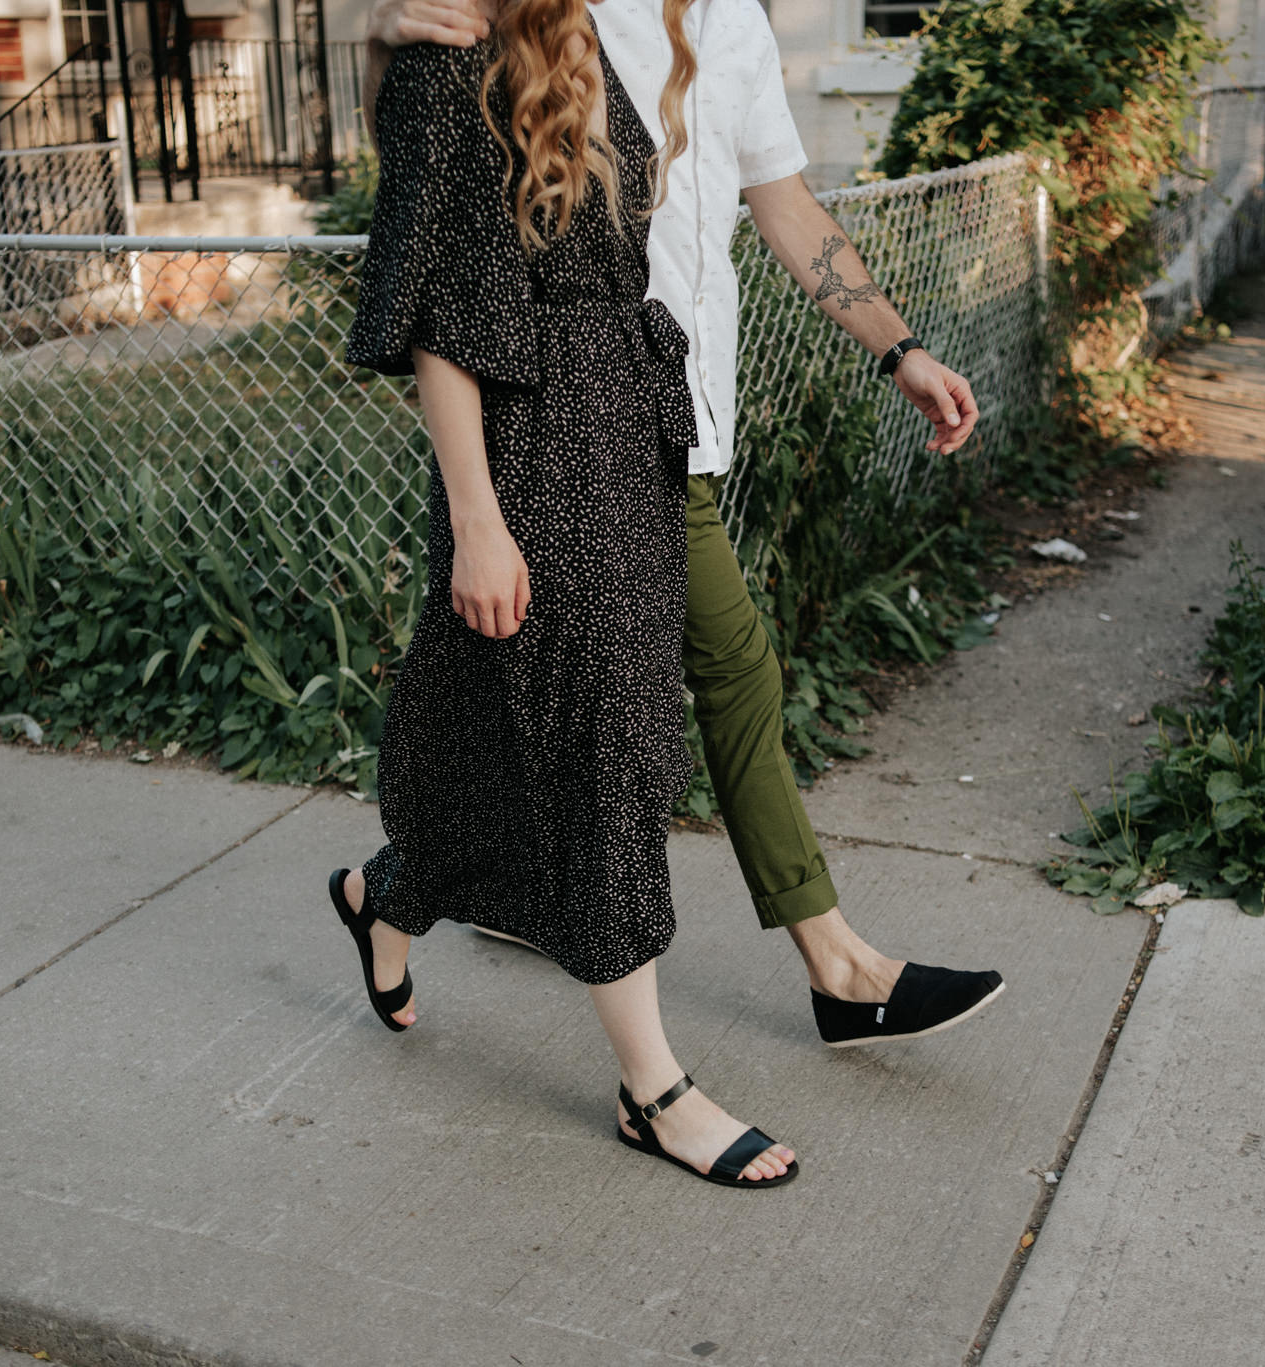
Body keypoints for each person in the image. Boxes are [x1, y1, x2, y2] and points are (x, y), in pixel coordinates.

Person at [363, 0, 1007, 1049]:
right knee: (719, 673)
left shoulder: (736, 24)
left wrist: (898, 351)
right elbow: (426, 159)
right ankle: (835, 967)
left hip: (682, 413)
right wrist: (379, 40)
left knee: (521, 699)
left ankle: (405, 890)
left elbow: (786, 207)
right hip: (571, 422)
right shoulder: (551, 7)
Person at [332, 0, 798, 1187]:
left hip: (628, 443)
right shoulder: (448, 73)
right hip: (529, 458)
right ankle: (656, 1089)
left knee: (575, 738)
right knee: (599, 751)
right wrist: (477, 528)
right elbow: (440, 328)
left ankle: (387, 892)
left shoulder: (590, 44)